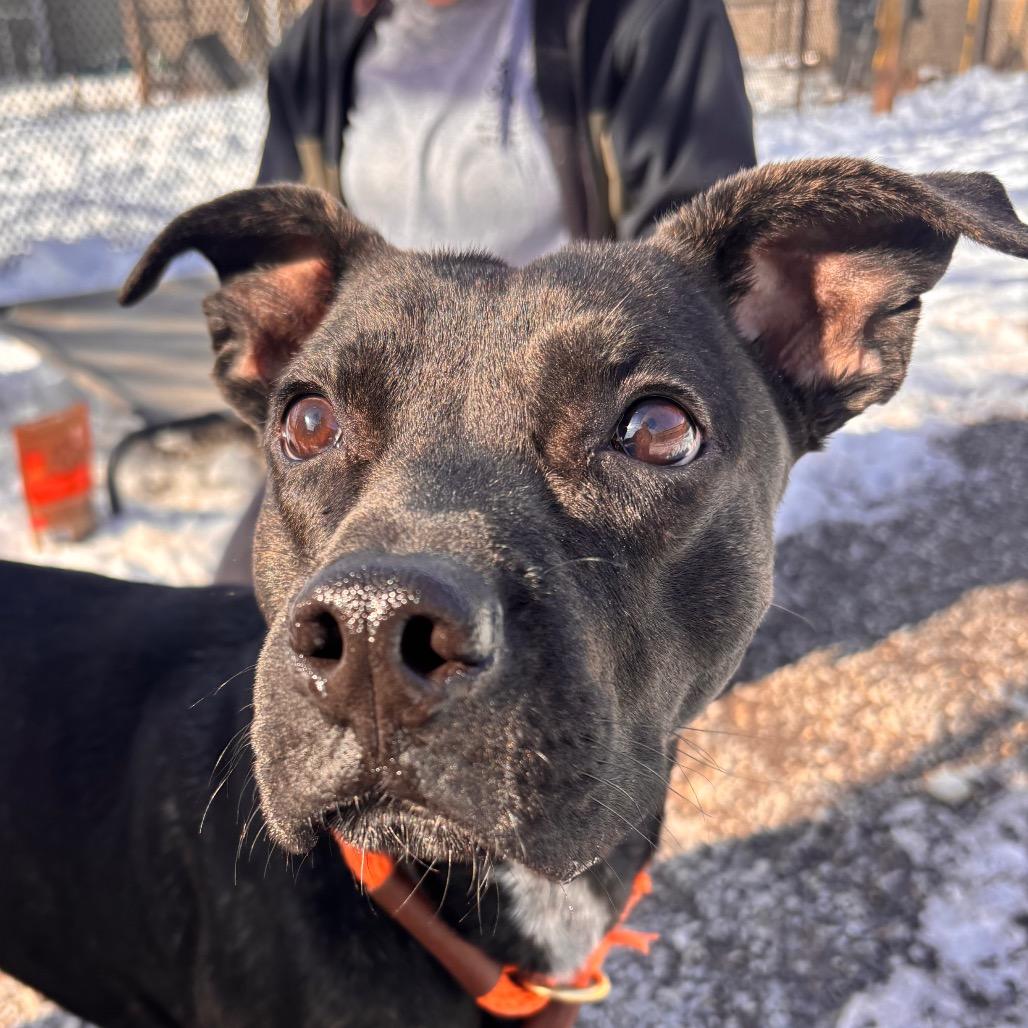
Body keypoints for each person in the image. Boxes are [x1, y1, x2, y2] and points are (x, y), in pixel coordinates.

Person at [216, 0, 755, 583]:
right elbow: (293, 250)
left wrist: (637, 426)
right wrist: (321, 413)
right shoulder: (316, 44)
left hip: (570, 400)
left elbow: (695, 288)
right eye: (306, 424)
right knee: (228, 598)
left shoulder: (642, 14)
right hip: (378, 415)